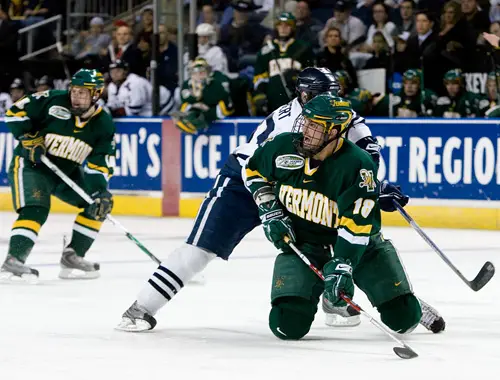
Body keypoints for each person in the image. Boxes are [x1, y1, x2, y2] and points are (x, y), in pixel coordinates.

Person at [115, 67, 444, 333]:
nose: (329, 101)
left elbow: (365, 156)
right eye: (321, 97)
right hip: (247, 182)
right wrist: (269, 206)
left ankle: (366, 297)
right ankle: (143, 305)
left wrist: (376, 186)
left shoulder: (335, 113)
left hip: (300, 183)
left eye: (333, 96)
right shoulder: (289, 126)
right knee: (202, 248)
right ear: (303, 96)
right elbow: (256, 169)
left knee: (345, 234)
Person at [242, 94, 423, 340]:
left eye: (315, 126)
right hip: (305, 243)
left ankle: (398, 296)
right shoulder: (282, 146)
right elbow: (252, 170)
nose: (305, 130)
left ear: (335, 131)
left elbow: (356, 227)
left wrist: (343, 264)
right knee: (286, 325)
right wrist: (269, 208)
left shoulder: (358, 166)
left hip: (360, 248)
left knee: (403, 318)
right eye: (305, 122)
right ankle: (328, 295)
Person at [0, 69, 115, 282]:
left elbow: (99, 164)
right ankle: (13, 261)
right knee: (36, 208)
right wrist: (27, 137)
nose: (76, 96)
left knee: (98, 204)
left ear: (96, 94)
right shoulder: (52, 100)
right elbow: (14, 112)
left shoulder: (104, 124)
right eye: (74, 91)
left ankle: (73, 256)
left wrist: (100, 190)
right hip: (31, 165)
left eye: (83, 93)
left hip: (65, 173)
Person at [253, 12, 314, 115]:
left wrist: (297, 78)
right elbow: (259, 77)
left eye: (287, 25)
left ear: (293, 27)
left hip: (296, 99)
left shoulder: (304, 48)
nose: (283, 28)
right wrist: (260, 95)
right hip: (272, 98)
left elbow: (312, 75)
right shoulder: (266, 50)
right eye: (280, 25)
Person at [172, 57, 234, 134]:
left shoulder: (216, 80)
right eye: (196, 71)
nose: (199, 74)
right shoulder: (188, 83)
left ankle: (199, 121)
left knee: (219, 107)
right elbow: (185, 98)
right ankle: (189, 121)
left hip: (215, 109)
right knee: (186, 107)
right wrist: (198, 103)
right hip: (199, 107)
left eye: (202, 71)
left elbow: (218, 98)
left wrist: (203, 92)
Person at [106, 60, 174, 117]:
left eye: (118, 71)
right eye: (112, 72)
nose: (114, 74)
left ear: (125, 71)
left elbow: (135, 109)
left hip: (165, 106)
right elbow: (112, 105)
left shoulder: (135, 83)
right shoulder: (112, 86)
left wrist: (113, 113)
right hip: (147, 107)